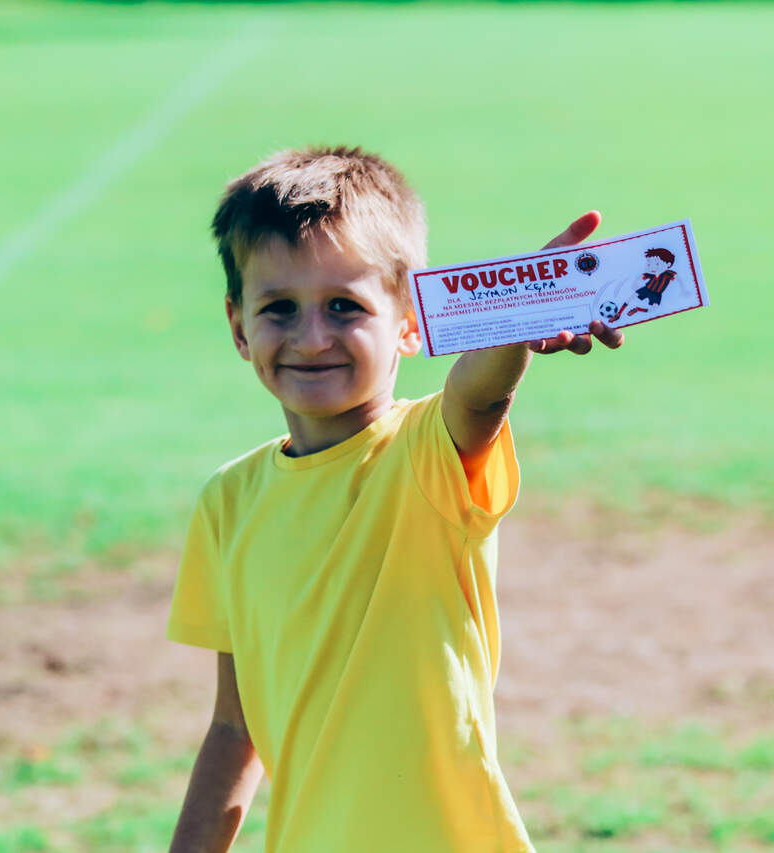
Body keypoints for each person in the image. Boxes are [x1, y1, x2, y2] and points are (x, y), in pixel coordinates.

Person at [165, 146, 623, 853]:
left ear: (410, 321)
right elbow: (234, 724)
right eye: (279, 308)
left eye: (344, 306)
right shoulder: (228, 502)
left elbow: (480, 394)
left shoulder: (429, 454)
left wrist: (521, 312)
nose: (311, 338)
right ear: (238, 325)